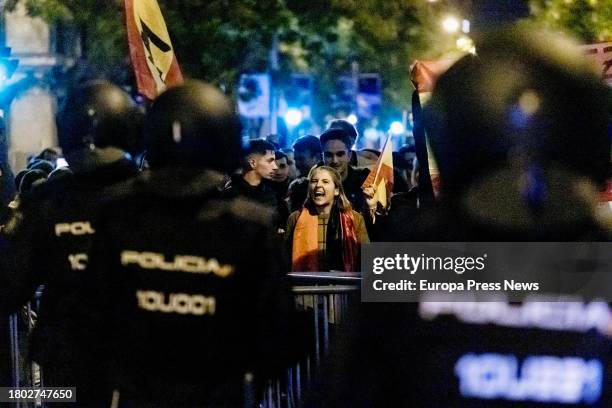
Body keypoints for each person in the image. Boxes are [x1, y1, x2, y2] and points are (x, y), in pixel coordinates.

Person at [83, 81, 290, 406]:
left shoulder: (117, 212)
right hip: (212, 390)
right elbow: (275, 326)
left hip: (146, 391)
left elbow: (95, 309)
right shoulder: (249, 224)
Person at [0, 80, 140, 404]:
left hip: (71, 365)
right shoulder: (155, 198)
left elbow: (8, 283)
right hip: (135, 362)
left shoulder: (48, 201)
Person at [286, 166, 369, 272]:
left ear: (336, 191)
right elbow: (285, 257)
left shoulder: (355, 219)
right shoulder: (295, 218)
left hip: (345, 285)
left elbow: (366, 259)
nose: (318, 185)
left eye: (325, 182)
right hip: (306, 286)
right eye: (314, 181)